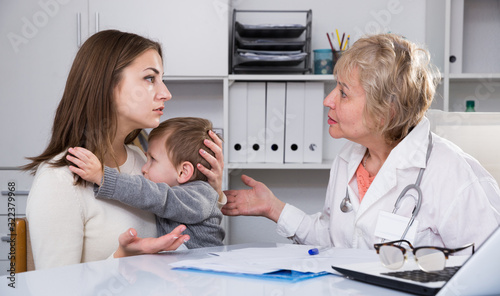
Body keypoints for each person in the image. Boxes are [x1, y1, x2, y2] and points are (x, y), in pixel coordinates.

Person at [223, 33, 500, 251]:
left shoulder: (451, 172)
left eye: (343, 93)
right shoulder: (349, 158)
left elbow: (487, 267)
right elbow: (335, 241)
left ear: (385, 111)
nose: (328, 101)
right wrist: (274, 208)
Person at [23, 30, 224, 269]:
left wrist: (210, 191)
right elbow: (53, 290)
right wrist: (121, 260)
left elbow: (184, 219)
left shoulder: (144, 162)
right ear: (107, 85)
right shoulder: (59, 180)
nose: (166, 93)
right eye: (150, 78)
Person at [66, 117, 226, 249]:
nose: (144, 168)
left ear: (183, 172)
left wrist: (103, 176)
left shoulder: (200, 195)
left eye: (153, 160)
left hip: (205, 277)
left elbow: (154, 195)